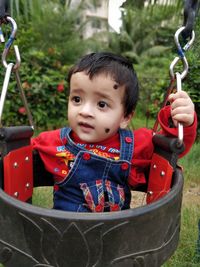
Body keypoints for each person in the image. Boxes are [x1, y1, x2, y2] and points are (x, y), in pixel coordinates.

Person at [31, 52, 197, 212]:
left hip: (115, 237)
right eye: (77, 99)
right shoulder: (53, 142)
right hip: (66, 234)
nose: (85, 111)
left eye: (102, 104)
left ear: (125, 117)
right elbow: (21, 153)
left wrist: (183, 120)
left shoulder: (138, 144)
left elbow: (172, 147)